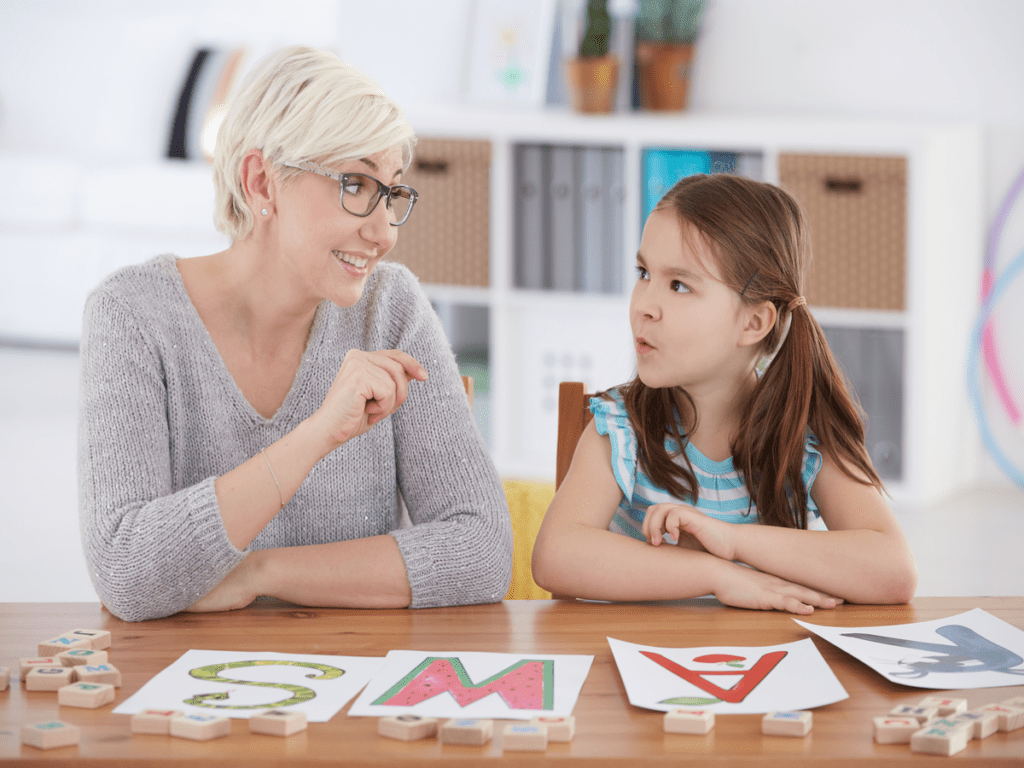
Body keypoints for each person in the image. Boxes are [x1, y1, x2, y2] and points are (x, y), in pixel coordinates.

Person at [78, 46, 512, 622]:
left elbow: (482, 551)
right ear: (261, 183)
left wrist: (261, 572)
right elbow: (126, 570)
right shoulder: (133, 316)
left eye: (392, 192)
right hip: (183, 689)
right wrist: (316, 436)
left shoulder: (392, 307)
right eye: (356, 184)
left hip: (352, 682)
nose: (383, 233)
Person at [532, 173, 918, 614]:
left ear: (754, 323)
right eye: (643, 273)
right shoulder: (620, 427)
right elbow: (554, 556)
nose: (643, 305)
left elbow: (894, 570)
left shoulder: (803, 436)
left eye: (679, 285)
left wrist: (732, 541)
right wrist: (718, 575)